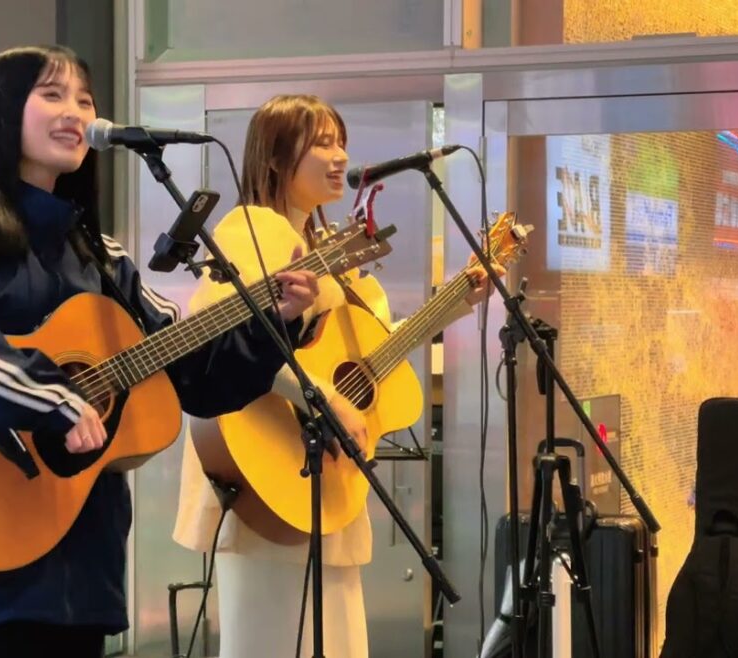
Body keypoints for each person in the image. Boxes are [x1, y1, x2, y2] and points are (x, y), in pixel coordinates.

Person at [0, 47, 321, 658]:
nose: (75, 112)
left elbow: (193, 373)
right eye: (52, 94)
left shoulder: (106, 258)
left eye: (85, 99)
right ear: (6, 112)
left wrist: (276, 321)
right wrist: (51, 397)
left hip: (78, 557)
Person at [173, 94, 500, 657]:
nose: (338, 155)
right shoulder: (248, 231)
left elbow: (371, 351)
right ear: (275, 158)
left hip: (324, 479)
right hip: (267, 468)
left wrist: (456, 302)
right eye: (321, 142)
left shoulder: (334, 253)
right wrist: (320, 396)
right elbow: (218, 343)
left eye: (340, 141)